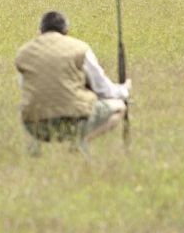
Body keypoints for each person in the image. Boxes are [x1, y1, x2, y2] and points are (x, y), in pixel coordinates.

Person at [15, 11, 132, 155]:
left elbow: (25, 87)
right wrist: (124, 90)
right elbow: (103, 89)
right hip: (73, 121)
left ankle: (35, 151)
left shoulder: (24, 52)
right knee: (119, 107)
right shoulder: (80, 49)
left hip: (34, 125)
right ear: (66, 31)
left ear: (40, 31)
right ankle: (79, 142)